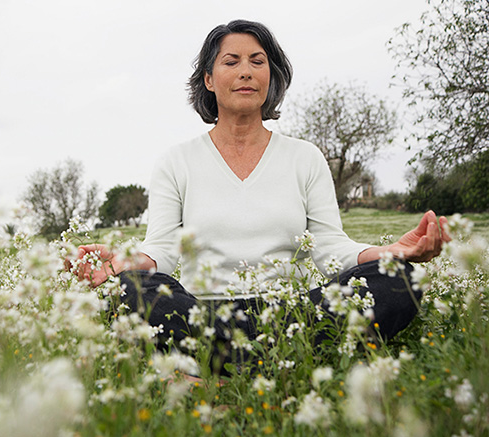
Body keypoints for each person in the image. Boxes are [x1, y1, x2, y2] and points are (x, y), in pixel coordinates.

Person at [75, 19, 450, 373]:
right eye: (231, 61)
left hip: (294, 312)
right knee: (129, 291)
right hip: (201, 313)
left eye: (258, 61)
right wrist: (123, 263)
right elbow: (162, 249)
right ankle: (285, 361)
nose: (246, 71)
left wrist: (390, 255)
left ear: (271, 78)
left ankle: (215, 367)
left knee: (401, 279)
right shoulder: (176, 161)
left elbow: (331, 249)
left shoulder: (305, 157)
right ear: (208, 79)